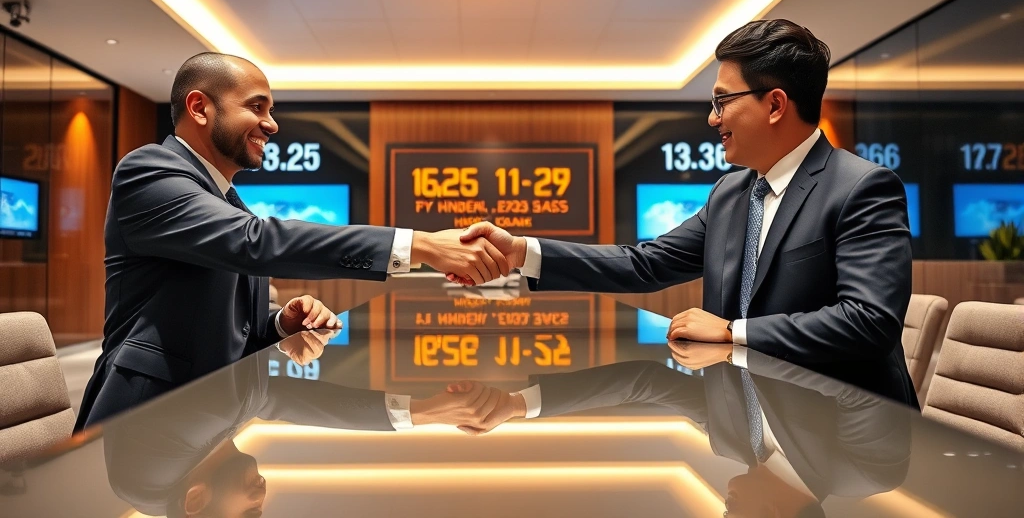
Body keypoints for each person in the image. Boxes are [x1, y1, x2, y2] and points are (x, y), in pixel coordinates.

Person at [453, 19, 917, 406]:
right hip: (746, 405)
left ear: (775, 104)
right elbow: (645, 264)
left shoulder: (862, 187)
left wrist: (734, 332)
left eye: (722, 101)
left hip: (846, 439)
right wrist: (520, 253)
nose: (713, 119)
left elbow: (867, 321)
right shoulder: (732, 194)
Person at [76, 52, 512, 431]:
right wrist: (424, 246)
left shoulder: (227, 200)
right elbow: (254, 242)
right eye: (256, 106)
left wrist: (280, 324)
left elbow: (228, 333)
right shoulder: (148, 171)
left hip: (215, 416)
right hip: (141, 432)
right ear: (200, 107)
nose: (272, 123)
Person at [448, 346, 911, 515]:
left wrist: (516, 406)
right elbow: (863, 385)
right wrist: (738, 343)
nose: (723, 510)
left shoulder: (734, 441)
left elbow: (646, 383)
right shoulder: (871, 472)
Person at [102, 331, 517, 517]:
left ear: (195, 501)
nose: (261, 497)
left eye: (248, 514)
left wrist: (426, 412)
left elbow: (261, 395)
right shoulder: (167, 488)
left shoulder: (153, 466)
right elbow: (267, 397)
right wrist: (423, 412)